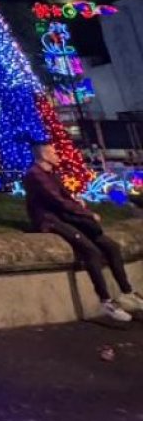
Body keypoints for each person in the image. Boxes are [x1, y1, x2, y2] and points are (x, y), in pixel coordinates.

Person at [23, 139, 143, 327]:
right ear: (44, 155)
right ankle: (105, 301)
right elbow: (57, 201)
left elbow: (64, 197)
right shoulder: (35, 175)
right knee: (91, 251)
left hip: (66, 216)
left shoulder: (51, 174)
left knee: (110, 245)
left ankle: (127, 293)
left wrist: (78, 203)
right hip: (50, 219)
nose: (57, 156)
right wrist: (87, 213)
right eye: (54, 152)